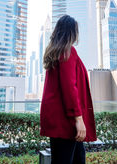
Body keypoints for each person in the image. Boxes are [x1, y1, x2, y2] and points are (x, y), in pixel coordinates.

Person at [40, 15, 97, 164]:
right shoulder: (67, 52)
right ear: (71, 32)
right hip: (66, 122)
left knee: (78, 158)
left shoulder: (57, 52)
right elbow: (69, 87)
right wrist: (79, 119)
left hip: (60, 120)